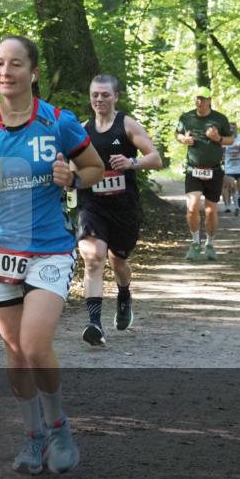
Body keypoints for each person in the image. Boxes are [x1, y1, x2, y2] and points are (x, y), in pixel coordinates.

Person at [0, 35, 104, 475]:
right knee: (15, 351)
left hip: (49, 249)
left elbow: (94, 167)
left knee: (35, 345)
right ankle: (31, 436)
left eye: (16, 64)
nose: (6, 72)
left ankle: (57, 425)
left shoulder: (59, 122)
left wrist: (73, 176)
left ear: (33, 73)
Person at [75, 75, 161, 346]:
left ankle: (124, 294)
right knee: (93, 258)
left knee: (118, 261)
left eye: (105, 95)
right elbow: (70, 164)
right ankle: (95, 324)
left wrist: (131, 162)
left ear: (116, 97)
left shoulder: (126, 125)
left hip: (123, 207)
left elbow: (156, 159)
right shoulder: (81, 130)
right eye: (95, 95)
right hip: (92, 205)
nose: (99, 99)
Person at [175, 86, 234, 261]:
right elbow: (177, 134)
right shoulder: (187, 117)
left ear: (209, 100)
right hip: (193, 169)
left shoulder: (220, 118)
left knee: (210, 211)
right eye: (197, 98)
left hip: (214, 170)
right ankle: (195, 243)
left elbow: (230, 140)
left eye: (203, 98)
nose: (200, 101)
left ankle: (209, 244)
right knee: (192, 207)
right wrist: (183, 139)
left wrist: (218, 139)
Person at [221, 123, 240, 216]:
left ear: (236, 129)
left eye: (233, 128)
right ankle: (236, 207)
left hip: (239, 167)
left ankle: (238, 197)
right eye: (230, 128)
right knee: (231, 186)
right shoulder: (225, 139)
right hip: (229, 167)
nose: (231, 130)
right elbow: (221, 151)